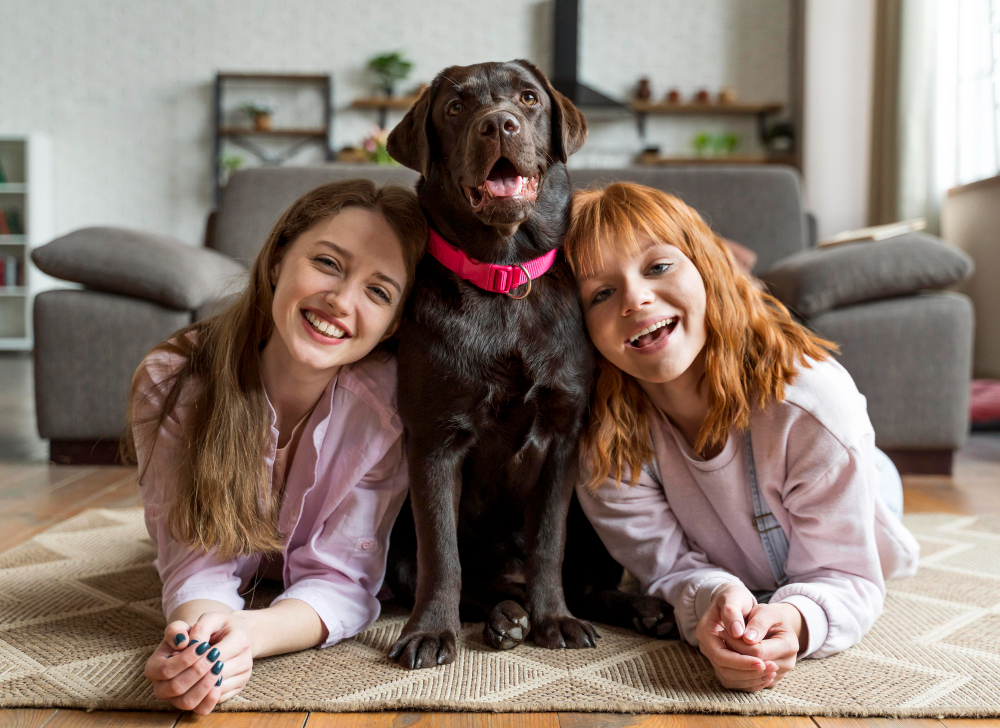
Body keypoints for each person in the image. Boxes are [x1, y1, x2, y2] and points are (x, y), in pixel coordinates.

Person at [564, 183, 919, 692]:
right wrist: (712, 598)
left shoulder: (813, 408)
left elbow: (848, 575)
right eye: (601, 293)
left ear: (708, 268)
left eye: (658, 266)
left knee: (871, 488)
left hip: (859, 475)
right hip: (738, 516)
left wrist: (795, 620)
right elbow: (663, 568)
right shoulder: (600, 438)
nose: (635, 298)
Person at [124, 180, 426, 714]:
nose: (341, 301)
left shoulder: (390, 408)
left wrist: (247, 636)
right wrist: (196, 646)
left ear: (394, 324)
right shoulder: (173, 381)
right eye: (328, 263)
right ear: (278, 259)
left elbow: (340, 578)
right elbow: (195, 560)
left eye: (378, 292)